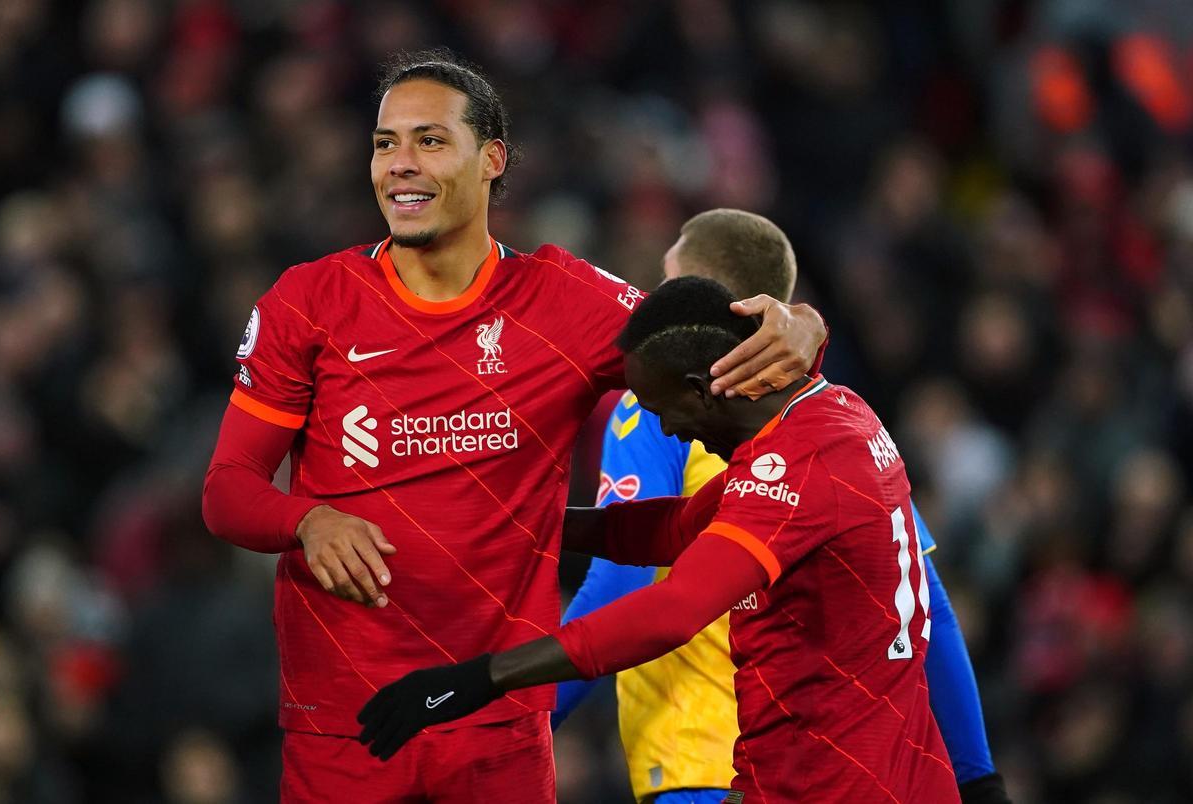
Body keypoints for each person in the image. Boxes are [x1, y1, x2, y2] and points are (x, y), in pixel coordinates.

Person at [200, 50, 826, 802]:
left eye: (430, 140)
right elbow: (227, 491)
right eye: (384, 143)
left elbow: (718, 335)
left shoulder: (565, 302)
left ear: (492, 158)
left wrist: (802, 323)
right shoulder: (309, 302)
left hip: (497, 729)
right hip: (345, 720)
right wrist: (307, 521)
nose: (400, 164)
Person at [356, 276, 961, 803]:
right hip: (851, 776)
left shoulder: (798, 468)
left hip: (835, 788)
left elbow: (673, 611)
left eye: (661, 409)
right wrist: (510, 520)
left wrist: (482, 678)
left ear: (702, 387)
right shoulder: (831, 416)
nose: (669, 429)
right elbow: (672, 530)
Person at [555, 209, 1010, 804]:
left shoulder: (649, 412)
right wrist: (978, 776)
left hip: (700, 763)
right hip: (821, 763)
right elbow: (926, 604)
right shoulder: (833, 418)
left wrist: (518, 721)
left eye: (668, 284)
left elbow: (620, 583)